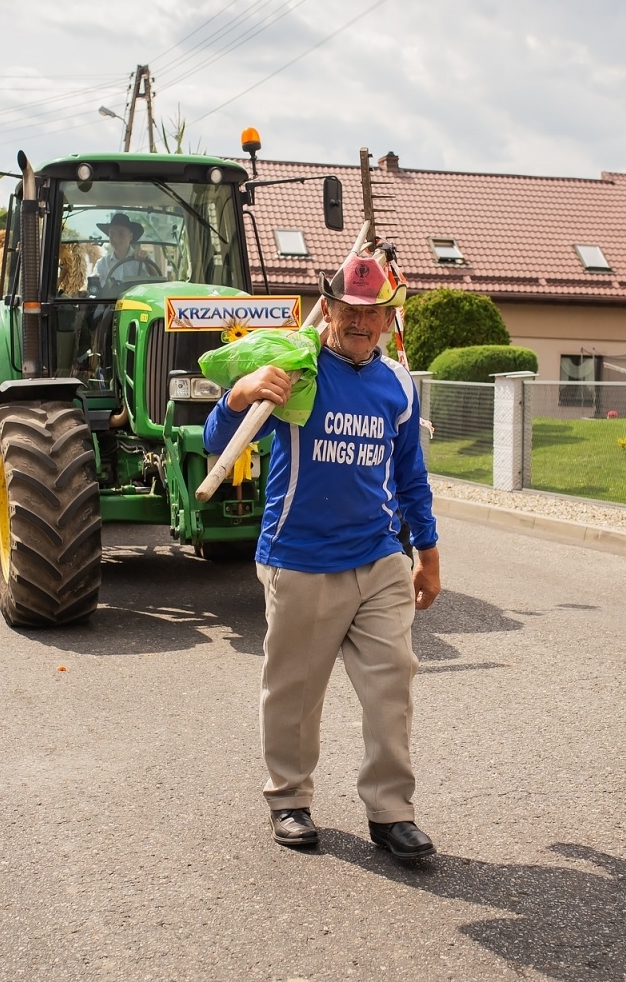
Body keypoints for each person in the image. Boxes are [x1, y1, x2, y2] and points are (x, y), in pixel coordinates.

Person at [203, 253, 441, 860]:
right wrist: (241, 393)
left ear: (390, 319)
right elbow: (216, 442)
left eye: (375, 314)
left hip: (380, 559)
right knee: (295, 690)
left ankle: (392, 813)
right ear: (329, 308)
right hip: (301, 557)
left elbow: (411, 477)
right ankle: (289, 800)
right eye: (350, 311)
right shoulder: (297, 367)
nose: (362, 325)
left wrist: (428, 552)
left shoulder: (397, 385)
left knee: (393, 683)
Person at [90, 213, 159, 297]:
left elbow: (157, 281)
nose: (115, 239)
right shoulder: (102, 263)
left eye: (121, 234)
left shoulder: (144, 259)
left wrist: (146, 261)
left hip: (138, 306)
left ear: (130, 236)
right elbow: (93, 287)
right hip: (110, 307)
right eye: (111, 234)